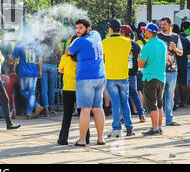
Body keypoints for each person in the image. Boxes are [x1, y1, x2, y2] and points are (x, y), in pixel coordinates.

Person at [66, 18, 106, 146]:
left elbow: (68, 51)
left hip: (85, 78)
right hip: (100, 76)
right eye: (76, 28)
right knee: (98, 108)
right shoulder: (96, 35)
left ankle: (82, 139)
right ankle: (100, 138)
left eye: (80, 28)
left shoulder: (79, 41)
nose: (77, 31)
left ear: (87, 29)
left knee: (85, 109)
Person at [102, 19, 134, 138]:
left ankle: (116, 128)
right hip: (123, 76)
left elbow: (103, 58)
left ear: (110, 29)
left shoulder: (104, 42)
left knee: (115, 103)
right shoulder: (127, 42)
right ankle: (129, 127)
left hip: (110, 76)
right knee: (124, 102)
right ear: (120, 29)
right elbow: (128, 56)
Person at [57, 35, 90, 145]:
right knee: (83, 113)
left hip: (68, 88)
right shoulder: (83, 57)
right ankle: (86, 138)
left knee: (67, 115)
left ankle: (63, 139)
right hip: (81, 88)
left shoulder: (65, 58)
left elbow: (60, 69)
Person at [139, 23, 167, 136]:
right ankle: (159, 127)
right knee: (160, 104)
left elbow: (141, 65)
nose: (144, 33)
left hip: (149, 77)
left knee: (152, 104)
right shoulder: (163, 44)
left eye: (146, 31)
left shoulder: (147, 46)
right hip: (161, 77)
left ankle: (154, 128)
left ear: (149, 33)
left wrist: (138, 59)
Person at [12, 29, 43, 119]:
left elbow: (15, 58)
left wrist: (14, 68)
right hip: (33, 71)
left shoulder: (20, 43)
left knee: (23, 91)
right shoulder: (36, 44)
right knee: (32, 92)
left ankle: (32, 109)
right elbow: (40, 58)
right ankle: (32, 108)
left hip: (23, 72)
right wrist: (40, 70)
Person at [157, 17, 183, 126]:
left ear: (170, 25)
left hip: (172, 71)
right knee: (159, 97)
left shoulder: (176, 37)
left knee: (170, 96)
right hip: (159, 71)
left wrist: (175, 49)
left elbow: (181, 53)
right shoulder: (157, 37)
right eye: (161, 24)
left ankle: (169, 119)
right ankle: (158, 121)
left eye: (164, 24)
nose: (162, 26)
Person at [120, 25, 146, 123]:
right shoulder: (136, 45)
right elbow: (139, 58)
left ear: (122, 33)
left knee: (123, 95)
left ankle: (124, 116)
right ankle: (141, 114)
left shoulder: (121, 44)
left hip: (122, 73)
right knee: (134, 94)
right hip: (133, 73)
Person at [172, 25, 190, 108]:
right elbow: (189, 52)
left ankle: (176, 102)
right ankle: (184, 102)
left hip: (173, 63)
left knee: (175, 83)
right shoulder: (185, 40)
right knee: (183, 83)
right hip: (183, 63)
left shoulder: (171, 40)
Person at [40, 36, 60, 116]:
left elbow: (39, 55)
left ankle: (46, 109)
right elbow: (58, 53)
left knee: (44, 88)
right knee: (52, 88)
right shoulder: (55, 40)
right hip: (53, 65)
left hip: (44, 64)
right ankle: (52, 108)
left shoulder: (42, 40)